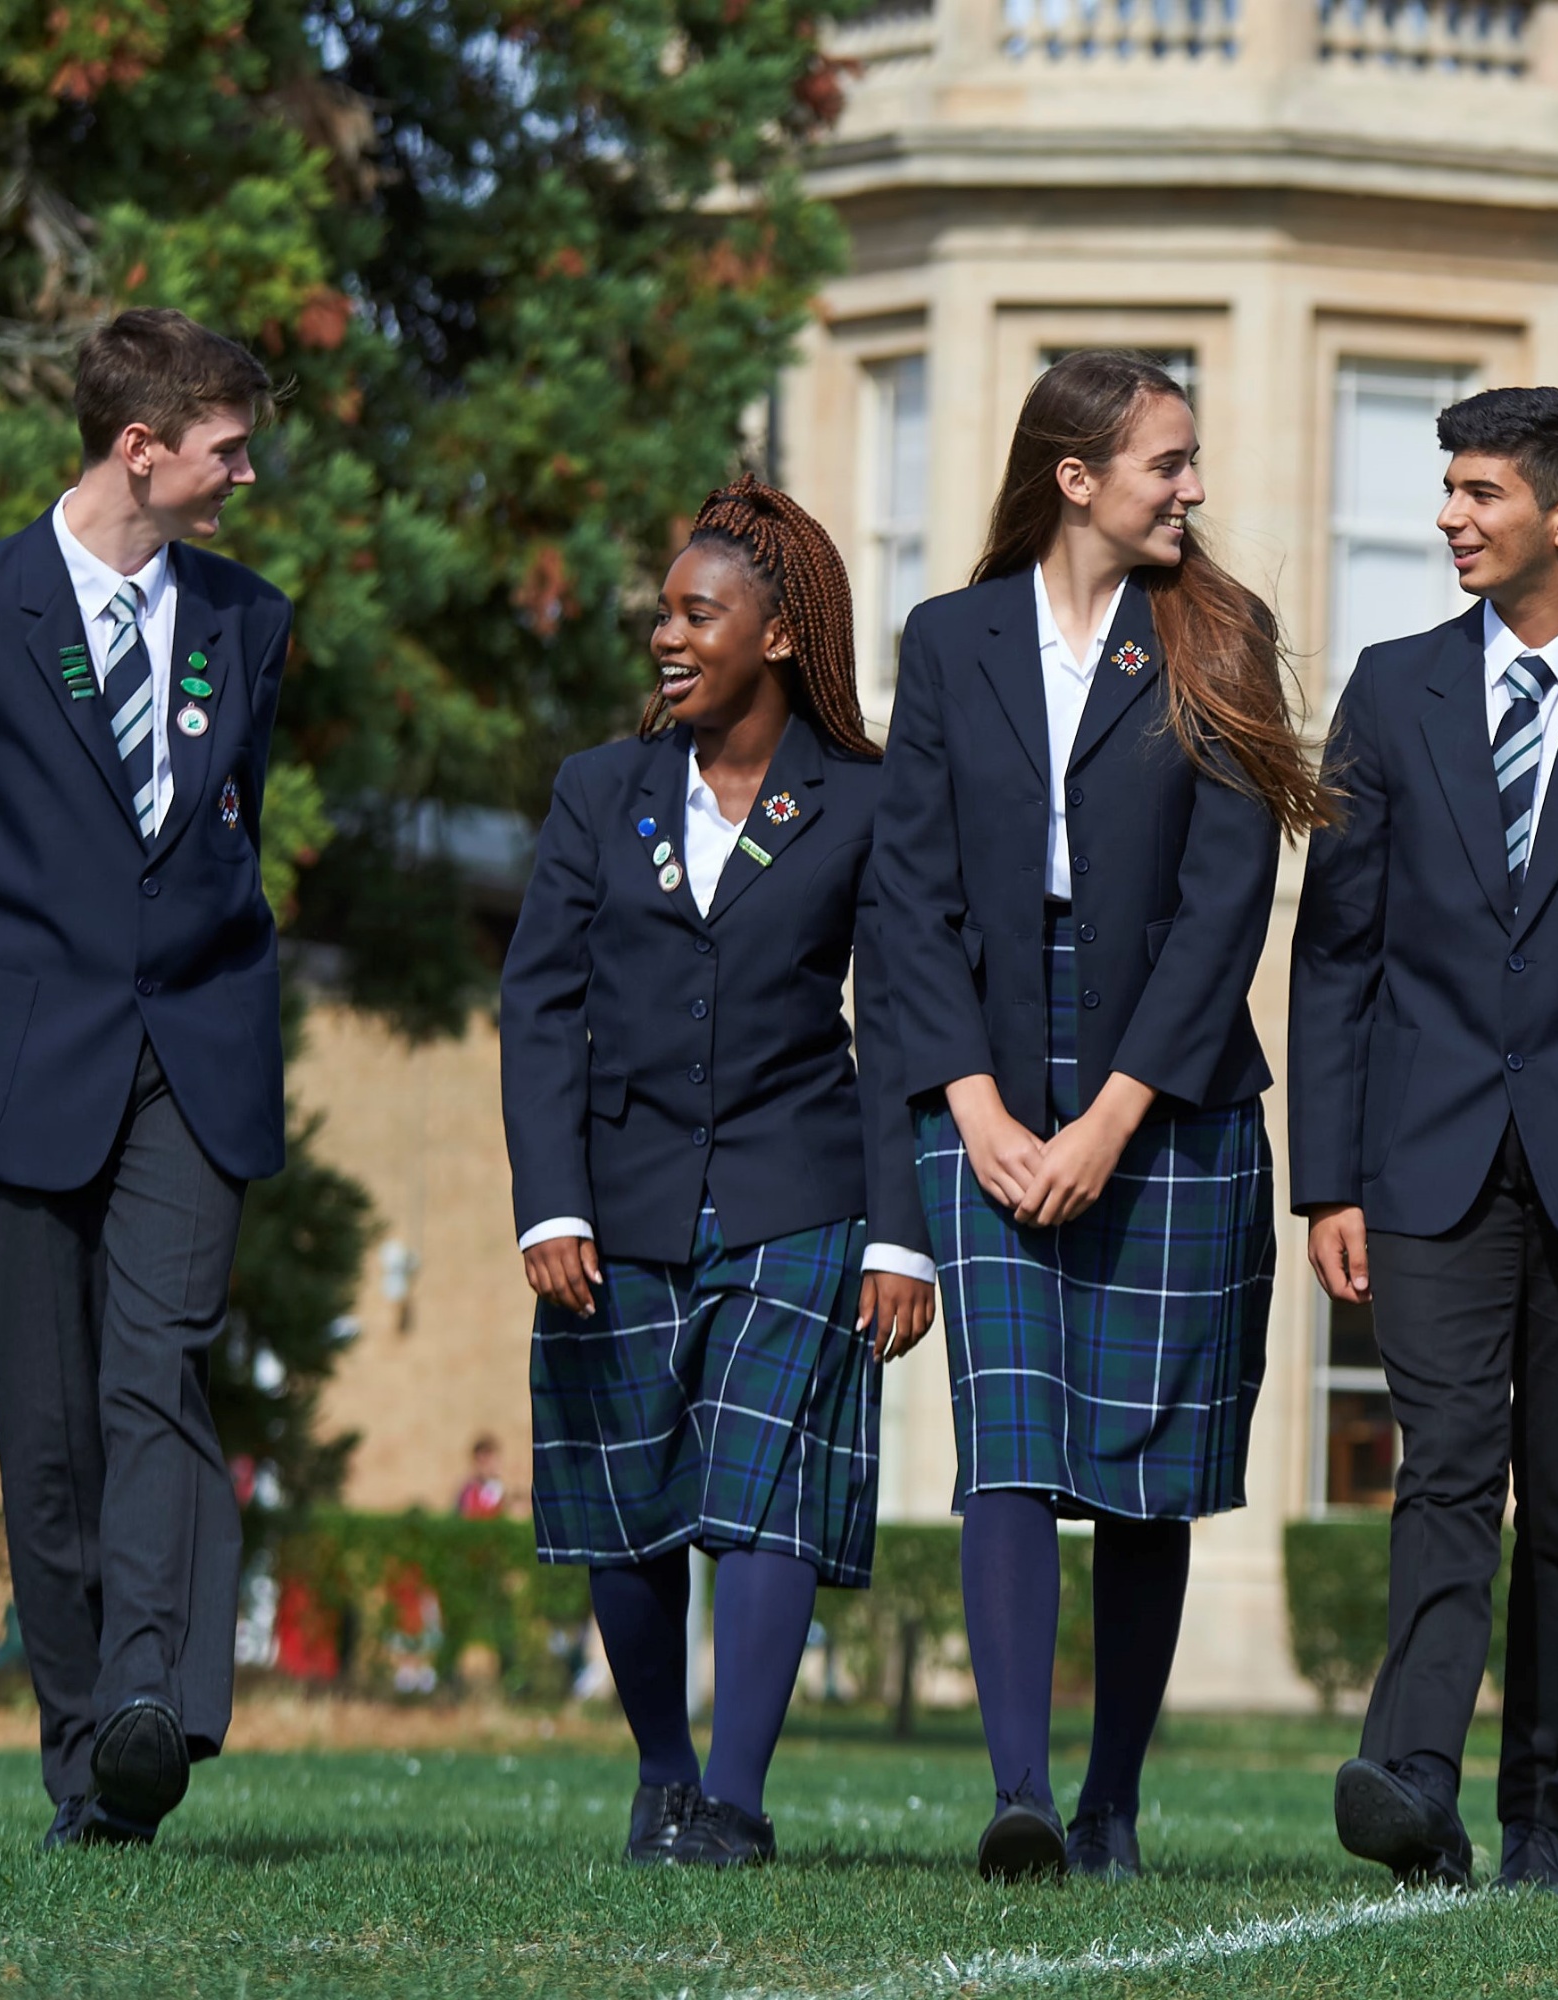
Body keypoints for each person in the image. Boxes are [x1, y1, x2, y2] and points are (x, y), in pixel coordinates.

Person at [874, 350, 1330, 1882]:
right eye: (1165, 463)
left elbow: (1224, 905)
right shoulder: (946, 641)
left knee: (1145, 1460)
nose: (1190, 489)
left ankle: (1110, 1805)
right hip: (986, 1073)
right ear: (1074, 479)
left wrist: (1111, 1115)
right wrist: (975, 1107)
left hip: (1172, 1083)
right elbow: (907, 895)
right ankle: (1017, 1799)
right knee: (1005, 1432)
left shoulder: (1218, 634)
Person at [499, 474, 936, 1867]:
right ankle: (665, 1776)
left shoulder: (864, 802)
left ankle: (735, 1806)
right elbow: (537, 1006)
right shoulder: (596, 790)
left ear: (780, 636)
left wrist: (898, 1235)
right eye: (661, 616)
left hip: (797, 1192)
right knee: (625, 1507)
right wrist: (549, 1201)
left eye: (699, 613)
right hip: (611, 1202)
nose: (665, 639)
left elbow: (905, 1019)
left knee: (759, 1491)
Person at [1290, 385, 1558, 1896]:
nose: (1448, 517)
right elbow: (1333, 952)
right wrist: (1326, 1176)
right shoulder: (1389, 695)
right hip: (1424, 1157)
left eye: (1478, 494)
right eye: (1444, 490)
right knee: (1446, 1459)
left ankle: (1539, 1820)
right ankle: (1410, 1778)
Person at [0, 309, 290, 1848]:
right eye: (225, 448)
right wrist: (0, 1006)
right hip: (24, 1061)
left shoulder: (249, 621)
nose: (245, 475)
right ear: (141, 449)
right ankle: (90, 1765)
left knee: (159, 1371)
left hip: (192, 1058)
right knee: (48, 1427)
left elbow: (232, 833)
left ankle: (150, 1694)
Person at [455, 1435, 507, 1519]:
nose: (485, 1466)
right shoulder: (468, 1490)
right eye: (481, 1461)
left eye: (488, 1460)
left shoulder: (504, 1490)